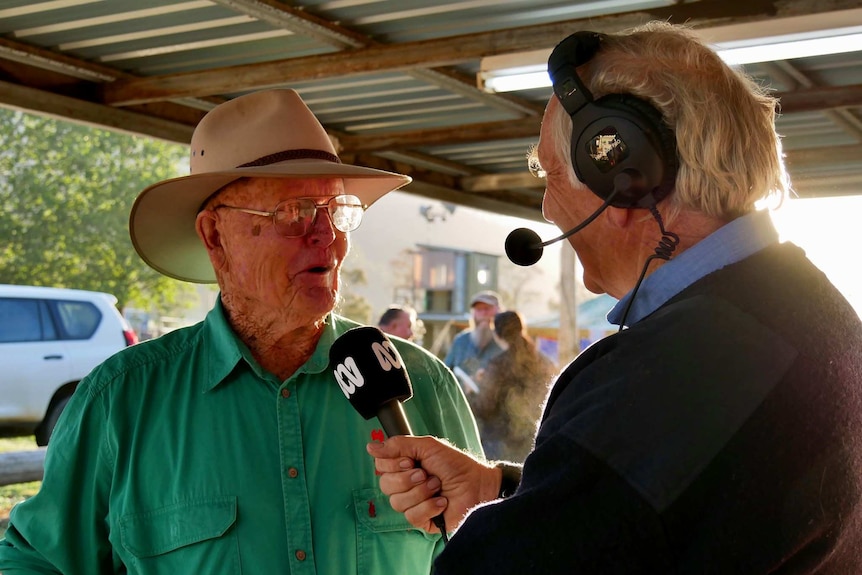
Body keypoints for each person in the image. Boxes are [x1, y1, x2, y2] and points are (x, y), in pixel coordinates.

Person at [367, 22, 862, 574]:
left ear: (623, 174)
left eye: (549, 173)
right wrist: (505, 493)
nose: (548, 208)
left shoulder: (681, 368)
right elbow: (674, 525)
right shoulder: (815, 313)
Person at [0, 89, 483, 575]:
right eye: (295, 213)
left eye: (336, 211)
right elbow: (34, 562)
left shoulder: (421, 382)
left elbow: (489, 550)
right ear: (214, 236)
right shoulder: (121, 401)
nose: (328, 237)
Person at [469, 311, 556, 462]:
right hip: (535, 441)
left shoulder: (497, 365)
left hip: (499, 444)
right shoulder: (544, 362)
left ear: (497, 335)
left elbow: (485, 407)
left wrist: (470, 392)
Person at [443, 290, 504, 388]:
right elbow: (444, 376)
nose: (484, 313)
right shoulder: (460, 342)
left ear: (498, 311)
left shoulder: (504, 344)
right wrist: (463, 385)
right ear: (473, 314)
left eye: (487, 308)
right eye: (479, 309)